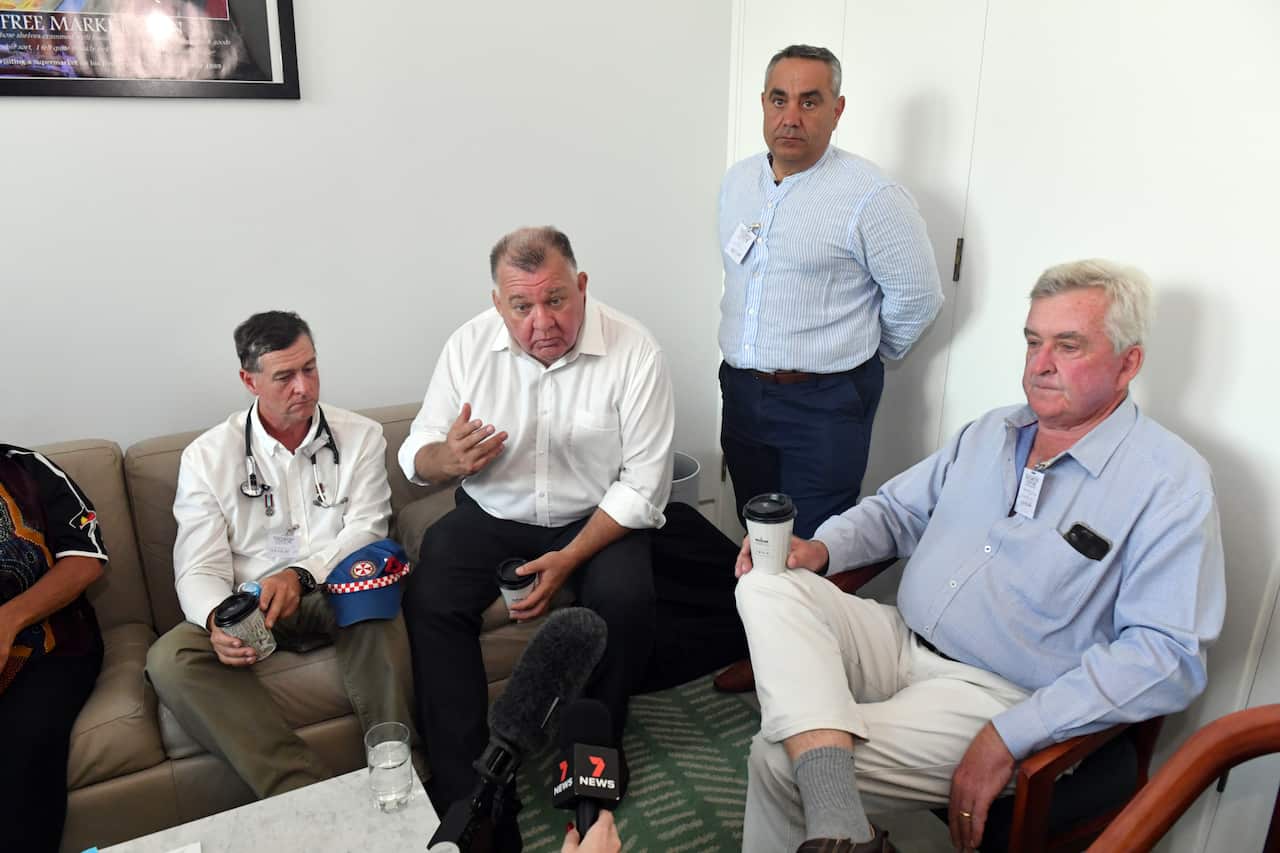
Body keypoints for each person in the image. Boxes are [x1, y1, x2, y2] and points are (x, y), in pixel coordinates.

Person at [732, 260, 1226, 853]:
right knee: (765, 581)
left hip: (995, 694)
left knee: (781, 758)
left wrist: (1010, 734)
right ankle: (850, 833)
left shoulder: (1169, 483)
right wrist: (823, 547)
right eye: (1033, 342)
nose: (1040, 365)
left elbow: (1167, 655)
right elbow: (896, 512)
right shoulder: (991, 431)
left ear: (1129, 364)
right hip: (898, 638)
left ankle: (840, 821)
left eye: (1068, 346)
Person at [398, 227, 674, 831]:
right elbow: (418, 448)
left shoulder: (635, 349)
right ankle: (464, 790)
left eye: (556, 300)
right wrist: (445, 460)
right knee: (432, 595)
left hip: (597, 517)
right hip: (494, 516)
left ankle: (590, 762)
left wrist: (570, 559)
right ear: (499, 304)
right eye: (521, 306)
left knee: (625, 600)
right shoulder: (468, 346)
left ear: (581, 286)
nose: (541, 322)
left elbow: (645, 485)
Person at [146, 310, 415, 799]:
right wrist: (216, 621)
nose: (303, 388)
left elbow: (367, 529)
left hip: (332, 585)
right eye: (284, 376)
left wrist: (300, 575)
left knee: (375, 601)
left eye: (309, 368)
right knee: (170, 658)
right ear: (249, 381)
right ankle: (306, 794)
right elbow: (199, 565)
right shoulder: (207, 458)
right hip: (250, 605)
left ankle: (401, 775)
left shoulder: (361, 436)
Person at [718, 44, 944, 538]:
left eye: (810, 101)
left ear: (837, 110)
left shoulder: (871, 196)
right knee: (755, 531)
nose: (791, 117)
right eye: (780, 100)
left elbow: (919, 296)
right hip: (741, 394)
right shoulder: (737, 182)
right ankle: (754, 616)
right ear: (762, 104)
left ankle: (811, 618)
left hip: (823, 404)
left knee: (815, 542)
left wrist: (860, 352)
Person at [0, 444, 107, 852]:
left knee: (22, 750)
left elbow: (86, 558)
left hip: (50, 648)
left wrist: (8, 621)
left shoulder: (24, 469)